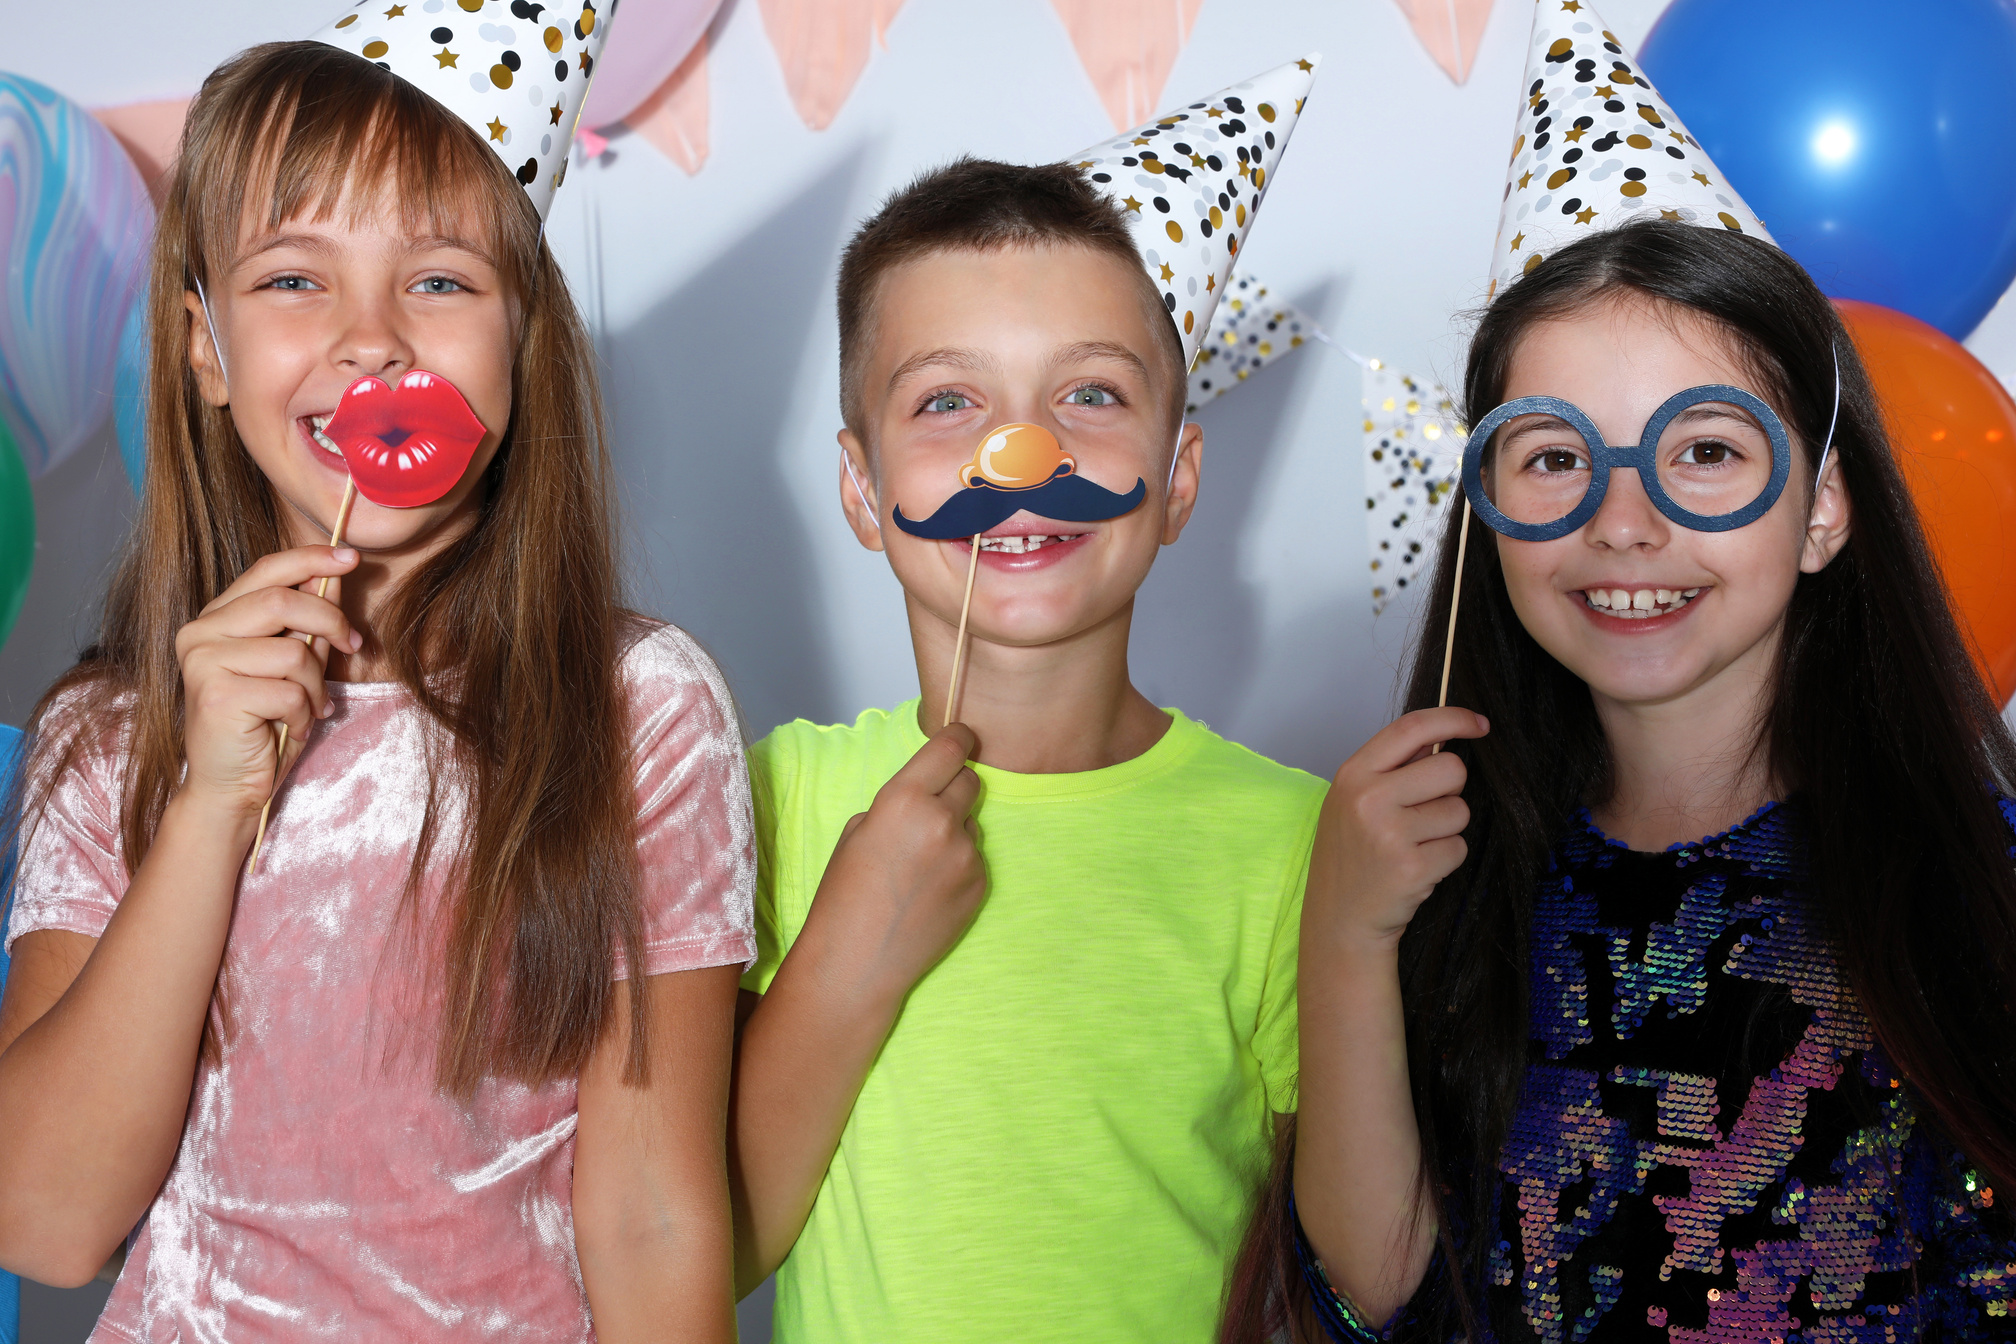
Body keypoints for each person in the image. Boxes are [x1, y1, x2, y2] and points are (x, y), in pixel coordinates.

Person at [1228, 13, 2016, 1324]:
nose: (1625, 521)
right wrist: (1349, 935)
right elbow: (1381, 1292)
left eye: (1705, 452)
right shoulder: (1457, 866)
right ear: (1492, 507)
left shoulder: (1971, 874)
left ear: (1822, 509)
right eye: (1553, 457)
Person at [0, 30, 751, 1343]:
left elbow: (651, 1215)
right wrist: (214, 797)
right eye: (295, 278)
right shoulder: (113, 733)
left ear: (522, 343)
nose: (372, 340)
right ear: (206, 350)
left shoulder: (643, 707)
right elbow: (49, 1222)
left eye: (441, 279)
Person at [729, 58, 1326, 1344]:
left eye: (1090, 396)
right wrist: (845, 956)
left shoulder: (1295, 844)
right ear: (859, 486)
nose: (1023, 456)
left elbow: (1334, 1277)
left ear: (1177, 480)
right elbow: (706, 1242)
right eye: (949, 401)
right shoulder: (763, 797)